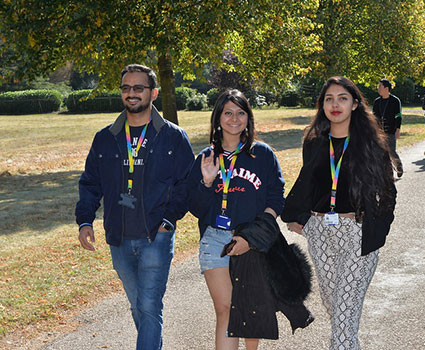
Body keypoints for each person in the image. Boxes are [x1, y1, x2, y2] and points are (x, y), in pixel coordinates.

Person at [75, 64, 194, 350]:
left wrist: (168, 220)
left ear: (153, 93)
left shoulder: (173, 136)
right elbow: (91, 182)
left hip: (156, 234)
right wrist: (85, 220)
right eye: (126, 88)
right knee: (138, 306)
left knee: (149, 306)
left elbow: (186, 185)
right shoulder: (105, 138)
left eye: (138, 88)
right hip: (119, 237)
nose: (131, 93)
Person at [282, 76, 397, 350]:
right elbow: (308, 182)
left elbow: (388, 194)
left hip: (357, 234)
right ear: (321, 105)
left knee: (344, 316)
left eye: (342, 98)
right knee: (338, 311)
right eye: (329, 99)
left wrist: (375, 231)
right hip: (320, 233)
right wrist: (303, 220)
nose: (335, 104)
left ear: (355, 104)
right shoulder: (313, 142)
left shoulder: (370, 144)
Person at [187, 89, 293, 350]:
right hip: (215, 238)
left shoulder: (263, 154)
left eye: (240, 113)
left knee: (250, 308)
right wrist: (207, 181)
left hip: (252, 238)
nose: (234, 118)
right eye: (228, 113)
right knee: (227, 310)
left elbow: (275, 198)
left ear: (249, 118)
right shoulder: (205, 158)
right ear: (218, 118)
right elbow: (196, 208)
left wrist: (256, 234)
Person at [373, 78, 403, 177]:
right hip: (380, 132)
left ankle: (399, 167)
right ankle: (387, 173)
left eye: (380, 86)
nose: (378, 88)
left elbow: (398, 116)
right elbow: (374, 117)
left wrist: (398, 130)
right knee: (381, 153)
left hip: (391, 130)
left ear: (386, 88)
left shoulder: (395, 101)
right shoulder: (377, 102)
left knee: (391, 151)